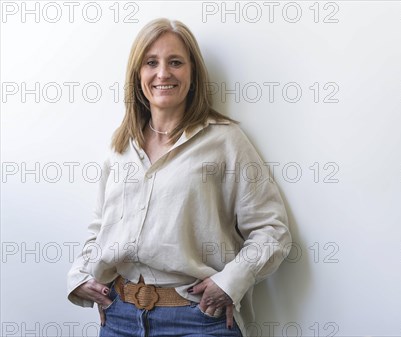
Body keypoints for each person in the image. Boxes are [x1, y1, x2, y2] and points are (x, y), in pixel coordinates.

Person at [66, 18, 291, 337]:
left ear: (193, 73)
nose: (162, 74)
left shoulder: (225, 140)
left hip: (198, 321)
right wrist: (79, 276)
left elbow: (272, 231)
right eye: (151, 63)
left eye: (175, 62)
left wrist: (230, 283)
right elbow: (99, 229)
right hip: (119, 319)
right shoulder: (119, 146)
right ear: (137, 74)